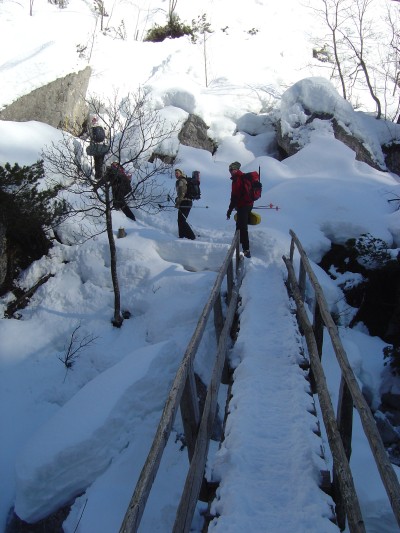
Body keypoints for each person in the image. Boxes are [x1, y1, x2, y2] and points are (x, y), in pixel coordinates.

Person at [226, 161, 253, 258]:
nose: (231, 172)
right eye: (230, 170)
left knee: (242, 227)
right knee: (239, 225)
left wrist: (230, 209)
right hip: (248, 205)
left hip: (243, 206)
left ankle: (246, 250)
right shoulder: (243, 177)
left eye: (232, 170)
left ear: (237, 169)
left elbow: (234, 196)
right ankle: (237, 244)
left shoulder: (237, 179)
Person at [175, 168, 196, 240]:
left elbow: (181, 194)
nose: (176, 174)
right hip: (186, 202)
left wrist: (178, 203)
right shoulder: (183, 180)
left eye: (177, 173)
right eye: (175, 173)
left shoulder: (181, 181)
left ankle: (191, 236)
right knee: (180, 220)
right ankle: (182, 236)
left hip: (185, 202)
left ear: (181, 173)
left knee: (182, 220)